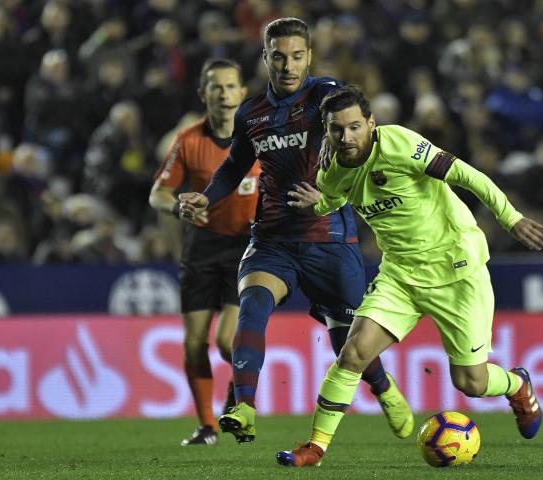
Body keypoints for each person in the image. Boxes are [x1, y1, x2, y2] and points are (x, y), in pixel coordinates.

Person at [277, 85, 543, 467]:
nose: (346, 137)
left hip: (457, 271)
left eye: (355, 127)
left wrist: (511, 218)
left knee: (471, 382)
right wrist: (317, 203)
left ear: (371, 124)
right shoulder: (333, 170)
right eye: (337, 130)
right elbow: (335, 198)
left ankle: (517, 385)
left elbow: (467, 176)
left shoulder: (401, 144)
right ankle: (315, 448)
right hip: (400, 276)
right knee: (353, 353)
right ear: (327, 130)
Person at [177, 18, 412, 444]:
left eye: (297, 56)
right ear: (265, 57)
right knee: (252, 306)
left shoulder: (325, 97)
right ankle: (243, 406)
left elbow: (359, 134)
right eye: (279, 56)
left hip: (329, 238)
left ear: (310, 57)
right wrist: (205, 198)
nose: (288, 65)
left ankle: (383, 387)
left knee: (349, 343)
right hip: (272, 238)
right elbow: (233, 167)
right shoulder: (251, 114)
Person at [149, 58, 261, 446]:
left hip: (246, 247)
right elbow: (157, 193)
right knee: (195, 343)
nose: (225, 94)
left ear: (242, 93)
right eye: (216, 87)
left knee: (228, 342)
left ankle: (241, 399)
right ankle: (207, 426)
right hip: (201, 247)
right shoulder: (189, 141)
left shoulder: (259, 140)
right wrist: (177, 204)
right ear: (203, 94)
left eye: (231, 86)